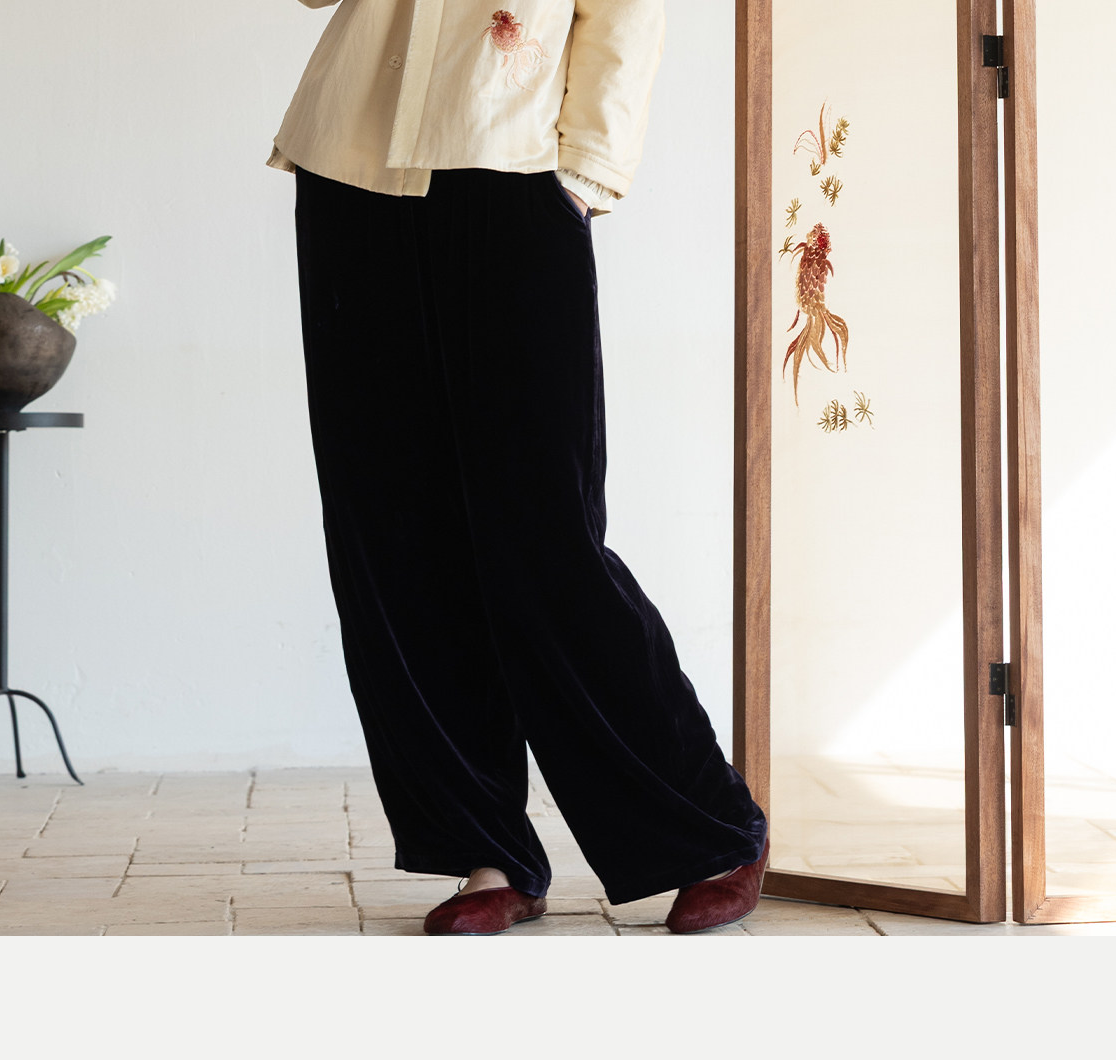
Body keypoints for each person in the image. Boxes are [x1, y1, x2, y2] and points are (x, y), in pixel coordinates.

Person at [269, 0, 768, 935]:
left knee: (545, 535)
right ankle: (486, 852)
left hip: (515, 164)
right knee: (392, 531)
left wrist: (583, 174)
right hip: (350, 162)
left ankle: (707, 828)